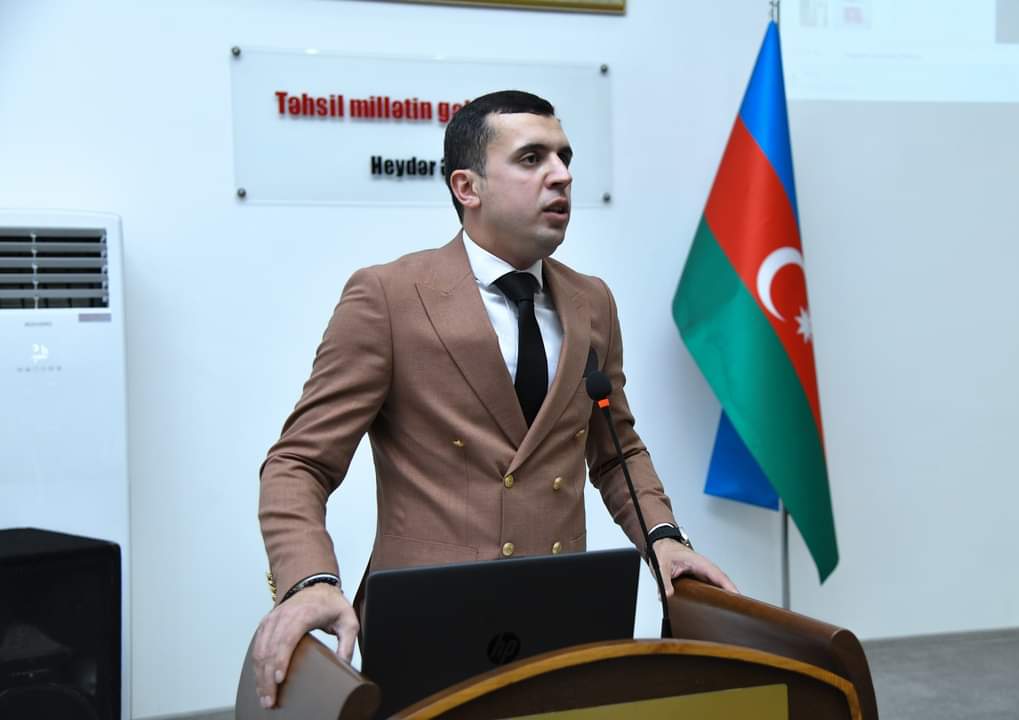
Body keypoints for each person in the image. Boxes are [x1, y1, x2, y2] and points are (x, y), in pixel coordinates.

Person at [252, 90, 737, 709]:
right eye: (532, 158)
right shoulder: (389, 297)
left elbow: (616, 449)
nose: (561, 175)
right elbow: (298, 463)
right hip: (430, 622)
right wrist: (309, 579)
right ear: (467, 187)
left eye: (564, 157)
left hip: (565, 614)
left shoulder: (592, 303)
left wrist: (663, 537)